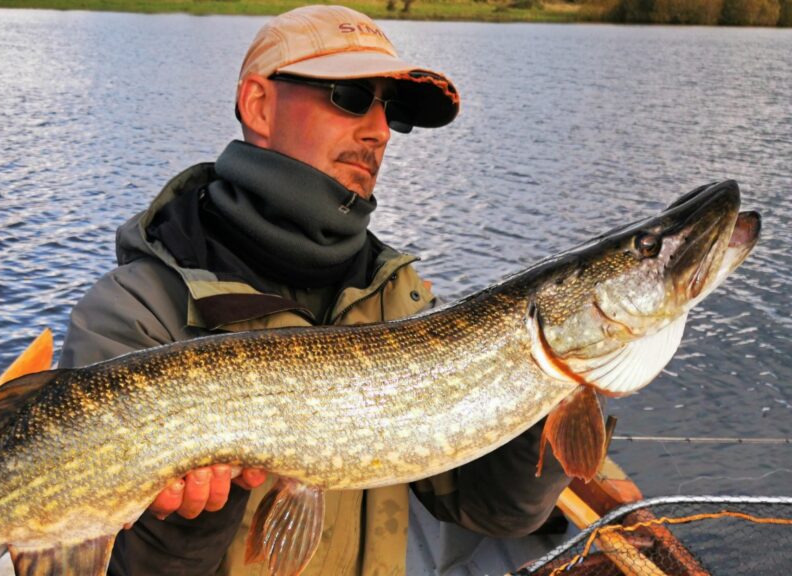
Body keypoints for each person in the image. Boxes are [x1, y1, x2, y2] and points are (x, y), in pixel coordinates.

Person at [59, 5, 570, 575]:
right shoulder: (134, 310)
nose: (378, 130)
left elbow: (496, 512)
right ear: (259, 105)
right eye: (350, 97)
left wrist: (557, 391)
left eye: (392, 110)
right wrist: (189, 522)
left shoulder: (400, 298)